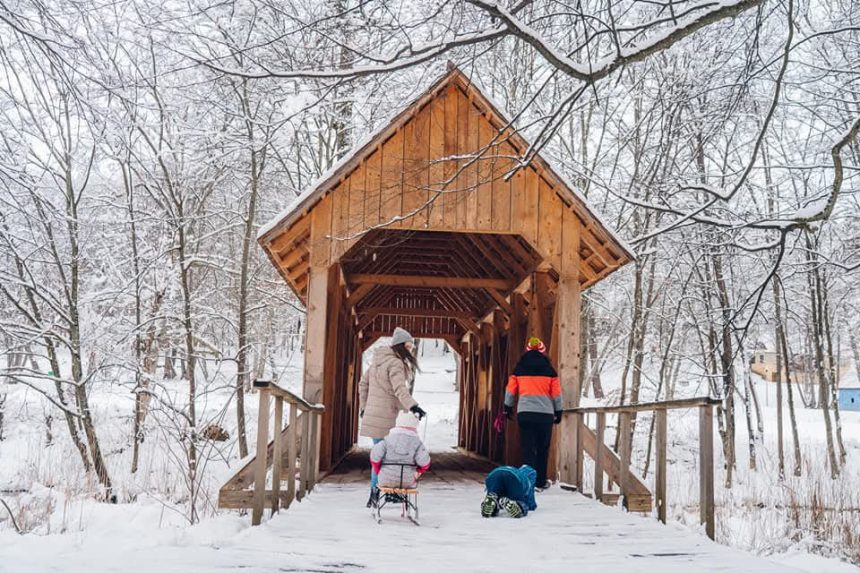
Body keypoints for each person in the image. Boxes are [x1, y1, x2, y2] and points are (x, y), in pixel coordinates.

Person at [359, 327, 427, 507]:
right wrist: (414, 406)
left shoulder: (377, 362)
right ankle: (388, 493)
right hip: (387, 418)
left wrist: (364, 407)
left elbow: (362, 385)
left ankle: (375, 494)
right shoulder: (396, 364)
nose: (410, 349)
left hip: (374, 417)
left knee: (378, 455)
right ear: (400, 346)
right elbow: (400, 389)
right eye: (408, 345)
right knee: (389, 458)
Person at [503, 337, 562, 490]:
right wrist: (559, 411)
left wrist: (507, 407)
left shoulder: (518, 370)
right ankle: (540, 482)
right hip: (545, 415)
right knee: (543, 449)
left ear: (527, 351)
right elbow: (557, 395)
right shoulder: (550, 371)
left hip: (525, 413)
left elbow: (510, 391)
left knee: (528, 448)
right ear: (543, 352)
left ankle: (529, 482)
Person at [369, 411, 431, 506]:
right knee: (408, 477)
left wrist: (378, 470)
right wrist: (417, 472)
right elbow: (425, 462)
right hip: (407, 481)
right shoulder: (417, 443)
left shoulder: (387, 439)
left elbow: (374, 456)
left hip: (385, 479)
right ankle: (403, 501)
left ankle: (378, 501)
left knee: (381, 469)